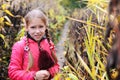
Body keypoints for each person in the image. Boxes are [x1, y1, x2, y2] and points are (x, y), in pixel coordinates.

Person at [8, 9, 59, 80]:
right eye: (33, 27)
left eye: (41, 27)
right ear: (26, 28)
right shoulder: (19, 46)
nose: (37, 31)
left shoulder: (49, 43)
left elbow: (56, 66)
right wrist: (34, 76)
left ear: (45, 27)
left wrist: (49, 73)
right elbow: (12, 73)